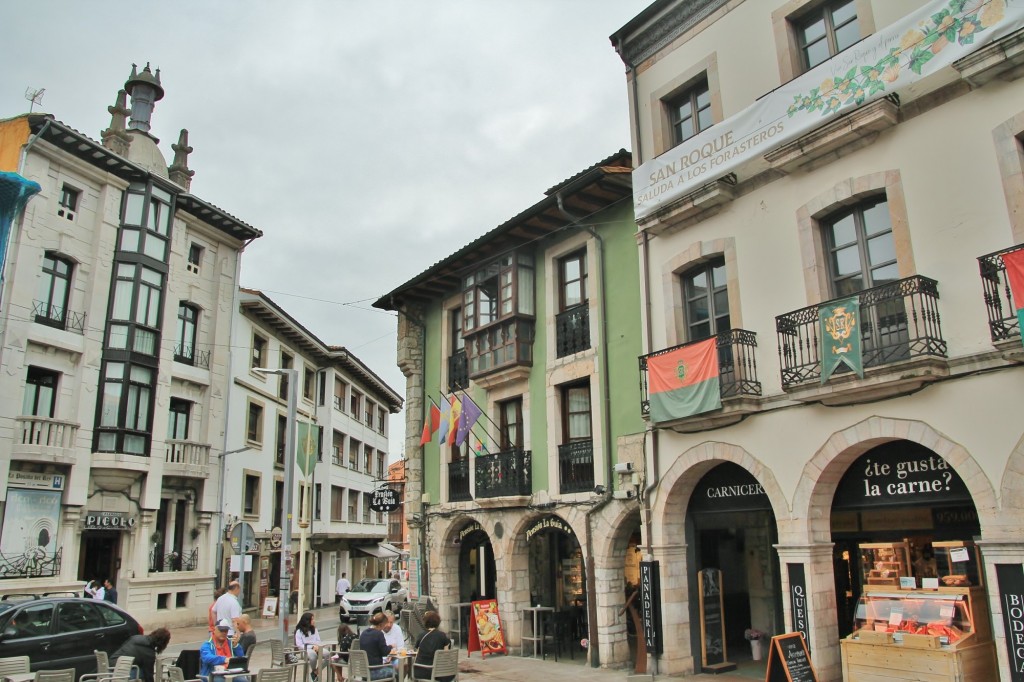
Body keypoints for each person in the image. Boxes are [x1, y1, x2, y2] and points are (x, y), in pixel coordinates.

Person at [413, 611, 452, 682]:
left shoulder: (421, 636)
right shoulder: (442, 636)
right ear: (437, 622)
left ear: (425, 622)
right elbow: (446, 655)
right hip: (438, 673)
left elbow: (417, 655)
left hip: (421, 672)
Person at [358, 613, 393, 680]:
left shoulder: (363, 633)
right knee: (395, 672)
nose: (384, 628)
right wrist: (391, 646)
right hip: (374, 671)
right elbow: (385, 652)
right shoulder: (379, 634)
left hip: (363, 672)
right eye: (384, 626)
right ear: (380, 625)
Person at [294, 611, 322, 681]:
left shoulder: (314, 629)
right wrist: (311, 647)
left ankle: (315, 672)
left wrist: (317, 646)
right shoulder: (299, 631)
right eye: (312, 619)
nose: (314, 621)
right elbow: (299, 645)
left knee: (328, 655)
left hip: (316, 647)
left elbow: (318, 640)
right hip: (305, 650)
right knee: (313, 655)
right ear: (307, 621)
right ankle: (314, 671)